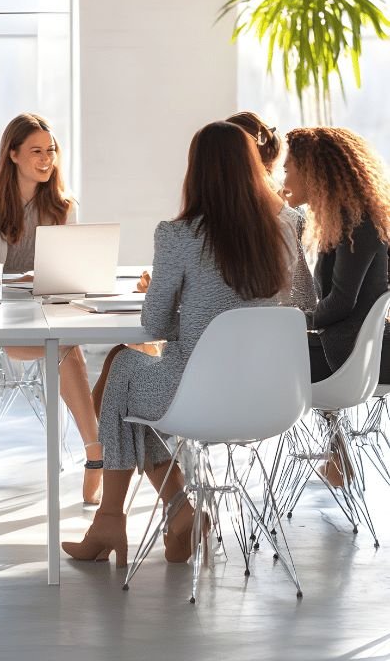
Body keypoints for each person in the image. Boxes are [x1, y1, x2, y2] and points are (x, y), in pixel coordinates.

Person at [63, 121, 295, 568]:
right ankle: (175, 512)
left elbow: (154, 324)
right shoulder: (281, 231)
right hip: (270, 395)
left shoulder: (179, 235)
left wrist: (177, 301)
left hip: (197, 394)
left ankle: (117, 518)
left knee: (124, 370)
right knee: (132, 394)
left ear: (197, 172)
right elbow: (296, 305)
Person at [0, 112, 103, 504]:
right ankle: (96, 452)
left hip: (50, 310)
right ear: (13, 154)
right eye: (36, 151)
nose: (46, 158)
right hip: (4, 316)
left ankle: (96, 454)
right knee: (65, 347)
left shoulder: (64, 204)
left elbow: (72, 273)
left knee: (67, 343)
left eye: (51, 150)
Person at [283, 127, 390, 387]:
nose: (283, 179)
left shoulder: (356, 225)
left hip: (356, 357)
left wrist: (290, 320)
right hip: (349, 349)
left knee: (266, 358)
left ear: (311, 172)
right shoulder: (342, 222)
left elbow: (341, 303)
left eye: (287, 170)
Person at [226, 111, 317, 311]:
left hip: (232, 325)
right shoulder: (290, 214)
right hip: (277, 324)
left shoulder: (216, 221)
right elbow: (305, 300)